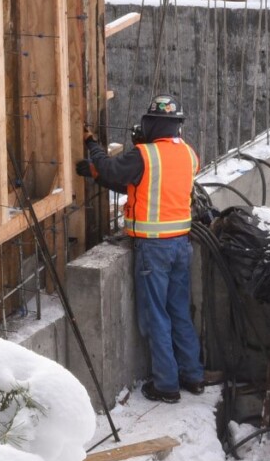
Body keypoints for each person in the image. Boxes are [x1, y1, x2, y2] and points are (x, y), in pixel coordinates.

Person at [76, 95, 204, 402]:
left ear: (152, 124)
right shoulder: (188, 154)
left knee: (156, 316)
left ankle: (166, 385)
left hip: (153, 250)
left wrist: (92, 145)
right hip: (180, 246)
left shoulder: (144, 155)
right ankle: (193, 376)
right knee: (178, 312)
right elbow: (142, 185)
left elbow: (111, 169)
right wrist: (94, 174)